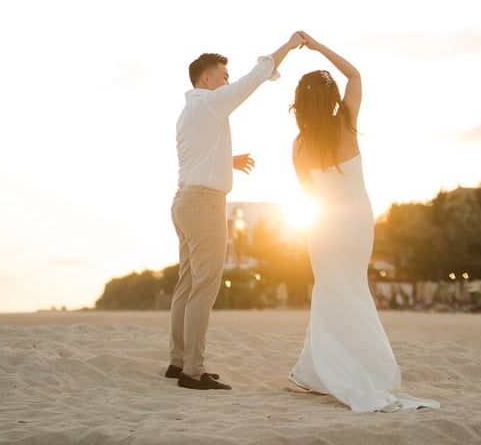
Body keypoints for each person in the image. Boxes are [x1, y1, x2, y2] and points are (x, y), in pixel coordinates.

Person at [288, 32, 440, 413]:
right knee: (352, 290)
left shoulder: (299, 146)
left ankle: (320, 373)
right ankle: (313, 372)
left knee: (329, 292)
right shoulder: (347, 123)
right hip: (357, 225)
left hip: (324, 229)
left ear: (301, 105)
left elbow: (309, 193)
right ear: (332, 98)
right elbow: (354, 75)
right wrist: (320, 47)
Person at [167, 31, 307, 391]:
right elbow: (255, 77)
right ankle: (193, 371)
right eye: (223, 76)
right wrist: (288, 47)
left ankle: (178, 361)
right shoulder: (212, 103)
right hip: (204, 205)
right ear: (207, 79)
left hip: (184, 202)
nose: (228, 82)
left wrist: (228, 161)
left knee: (186, 285)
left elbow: (197, 160)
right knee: (205, 288)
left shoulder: (188, 112)